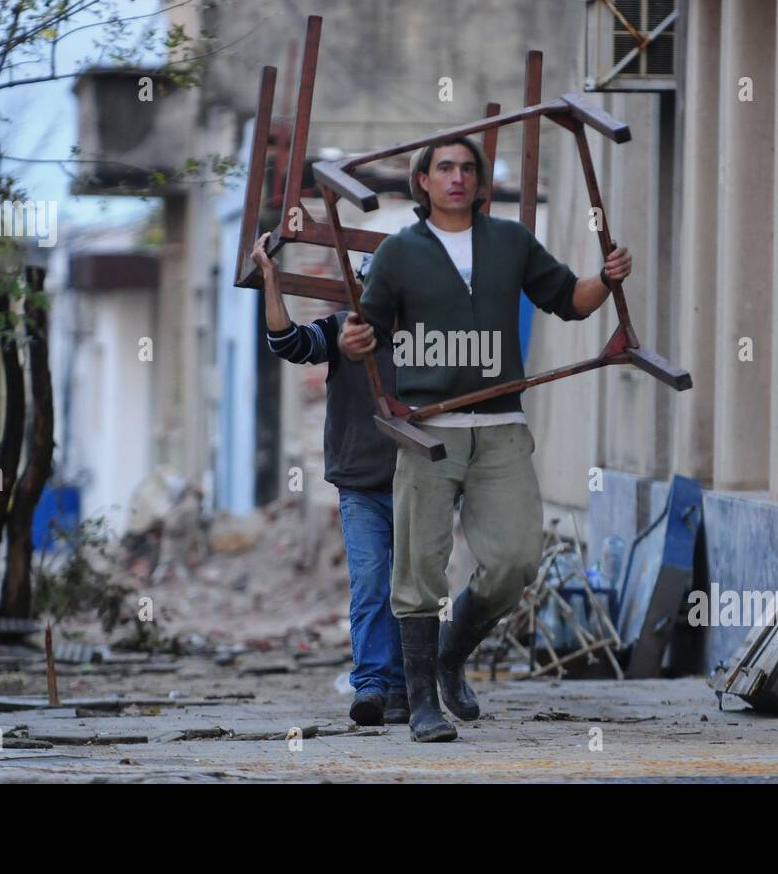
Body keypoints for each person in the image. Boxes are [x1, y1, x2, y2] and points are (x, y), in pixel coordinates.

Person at [348, 137, 631, 741]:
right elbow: (367, 331)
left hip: (501, 425)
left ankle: (452, 653)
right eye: (444, 168)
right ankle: (422, 701)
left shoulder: (510, 242)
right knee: (419, 567)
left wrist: (604, 281)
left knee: (515, 559)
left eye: (467, 169)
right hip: (430, 427)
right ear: (421, 180)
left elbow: (568, 301)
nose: (456, 177)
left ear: (479, 184)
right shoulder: (400, 252)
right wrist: (354, 342)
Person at [252, 234, 407, 726]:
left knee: (416, 589)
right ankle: (373, 687)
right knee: (370, 585)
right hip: (361, 484)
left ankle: (410, 687)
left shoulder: (432, 339)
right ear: (360, 288)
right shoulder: (342, 331)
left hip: (420, 482)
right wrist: (272, 281)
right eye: (373, 283)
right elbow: (288, 343)